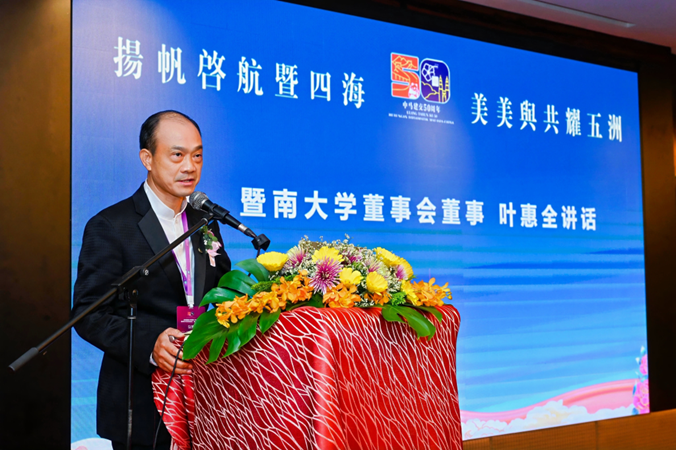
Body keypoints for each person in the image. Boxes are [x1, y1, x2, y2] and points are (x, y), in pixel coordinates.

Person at [72, 111, 231, 450]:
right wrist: (150, 345)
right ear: (147, 158)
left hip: (204, 396)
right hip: (141, 401)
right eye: (177, 155)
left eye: (197, 156)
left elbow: (220, 290)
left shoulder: (205, 222)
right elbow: (89, 314)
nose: (189, 167)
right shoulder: (112, 225)